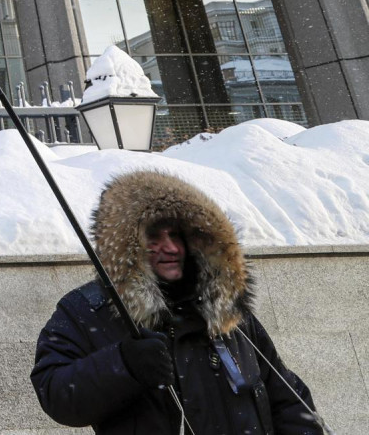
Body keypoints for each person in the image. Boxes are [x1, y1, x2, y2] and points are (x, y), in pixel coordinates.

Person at [31, 169, 321, 434]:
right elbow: (54, 391)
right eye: (154, 237)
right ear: (126, 244)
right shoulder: (87, 310)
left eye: (177, 236)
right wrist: (123, 364)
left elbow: (288, 399)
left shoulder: (223, 308)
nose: (169, 248)